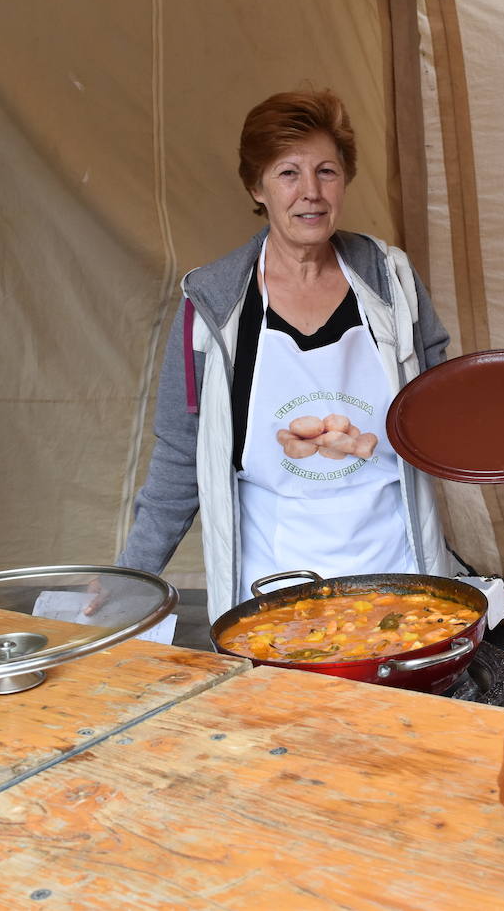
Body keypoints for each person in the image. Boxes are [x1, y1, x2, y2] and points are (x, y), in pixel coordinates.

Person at [118, 89, 452, 622]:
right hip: (269, 581)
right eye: (288, 173)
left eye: (327, 171)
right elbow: (182, 454)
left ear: (345, 180)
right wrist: (130, 579)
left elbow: (444, 407)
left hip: (395, 562)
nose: (311, 193)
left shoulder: (391, 280)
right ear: (257, 186)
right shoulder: (214, 303)